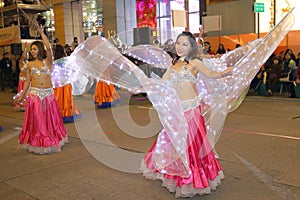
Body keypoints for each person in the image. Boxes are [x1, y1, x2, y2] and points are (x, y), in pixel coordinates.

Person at [140, 31, 233, 198]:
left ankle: (193, 178)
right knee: (172, 143)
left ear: (191, 47)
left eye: (185, 44)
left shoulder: (195, 62)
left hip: (191, 110)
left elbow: (210, 74)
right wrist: (144, 86)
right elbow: (163, 83)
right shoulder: (173, 64)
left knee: (192, 146)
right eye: (178, 43)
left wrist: (224, 73)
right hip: (176, 110)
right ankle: (176, 175)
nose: (180, 47)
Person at [14, 25, 68, 154]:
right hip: (35, 95)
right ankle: (39, 143)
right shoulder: (29, 65)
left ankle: (51, 140)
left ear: (39, 49)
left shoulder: (47, 62)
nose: (33, 51)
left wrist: (42, 33)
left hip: (48, 94)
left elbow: (49, 48)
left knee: (50, 120)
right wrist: (21, 95)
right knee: (38, 122)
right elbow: (28, 81)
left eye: (35, 49)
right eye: (31, 49)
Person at [53, 44, 81, 123]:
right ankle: (67, 114)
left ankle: (58, 115)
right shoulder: (67, 61)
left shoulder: (54, 62)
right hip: (67, 83)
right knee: (66, 99)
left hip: (58, 84)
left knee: (58, 99)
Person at [14, 44, 29, 111]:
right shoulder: (21, 62)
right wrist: (25, 48)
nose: (27, 55)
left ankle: (26, 105)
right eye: (26, 54)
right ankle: (20, 105)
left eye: (27, 54)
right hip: (22, 81)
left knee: (27, 94)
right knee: (21, 93)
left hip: (27, 81)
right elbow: (23, 57)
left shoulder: (29, 63)